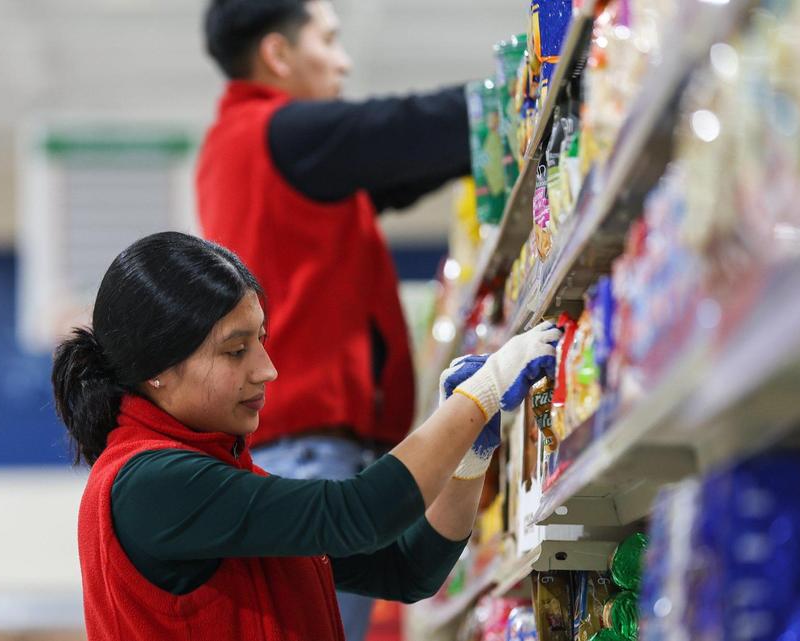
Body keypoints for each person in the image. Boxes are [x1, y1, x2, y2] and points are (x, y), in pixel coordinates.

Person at [52, 232, 558, 641]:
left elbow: (408, 570)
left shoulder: (218, 477)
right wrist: (482, 393)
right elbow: (359, 513)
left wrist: (469, 457)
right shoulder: (149, 483)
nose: (266, 370)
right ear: (156, 369)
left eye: (261, 341)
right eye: (235, 351)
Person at [196, 2, 473, 635]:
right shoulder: (280, 132)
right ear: (278, 54)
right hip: (311, 453)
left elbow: (396, 173)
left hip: (294, 449)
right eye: (328, 39)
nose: (344, 60)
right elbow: (400, 131)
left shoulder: (239, 152)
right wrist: (525, 86)